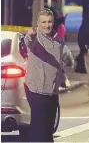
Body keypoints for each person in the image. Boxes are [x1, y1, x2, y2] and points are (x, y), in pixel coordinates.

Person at [24, 9, 74, 142]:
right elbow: (29, 42)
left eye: (49, 22)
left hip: (52, 91)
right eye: (44, 22)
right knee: (38, 129)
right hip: (37, 90)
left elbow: (67, 61)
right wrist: (30, 35)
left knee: (48, 130)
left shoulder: (58, 41)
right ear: (38, 24)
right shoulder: (36, 39)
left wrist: (68, 61)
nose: (47, 25)